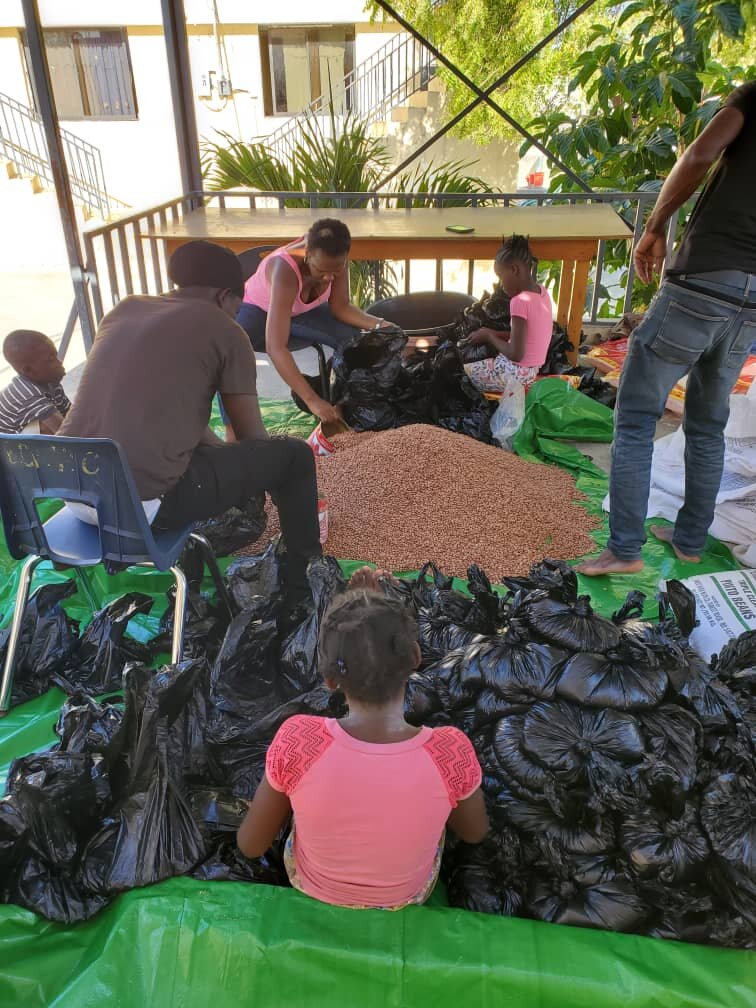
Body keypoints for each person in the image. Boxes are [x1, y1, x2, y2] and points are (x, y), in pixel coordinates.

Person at [60, 239, 320, 604]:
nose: (237, 313)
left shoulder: (125, 310)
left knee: (221, 455)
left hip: (68, 491)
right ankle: (304, 586)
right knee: (294, 457)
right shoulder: (227, 332)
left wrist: (225, 456)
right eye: (238, 304)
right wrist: (281, 488)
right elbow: (253, 439)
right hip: (140, 508)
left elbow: (166, 407)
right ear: (223, 296)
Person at [579, 81, 756, 577]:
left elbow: (701, 152)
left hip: (704, 280)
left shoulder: (753, 96)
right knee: (707, 423)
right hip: (751, 301)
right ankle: (690, 540)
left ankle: (624, 550)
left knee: (635, 416)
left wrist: (655, 225)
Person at [237, 568, 489, 910]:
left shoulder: (299, 739)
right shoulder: (449, 750)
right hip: (407, 896)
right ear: (416, 657)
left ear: (328, 680)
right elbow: (474, 833)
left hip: (312, 888)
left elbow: (251, 845)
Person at [226, 218, 391, 429]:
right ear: (307, 254)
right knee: (230, 353)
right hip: (258, 311)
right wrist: (312, 400)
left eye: (336, 271)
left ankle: (345, 406)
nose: (328, 278)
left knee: (352, 341)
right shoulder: (284, 270)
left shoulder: (335, 260)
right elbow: (275, 346)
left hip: (301, 310)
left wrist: (382, 326)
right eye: (321, 271)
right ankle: (233, 430)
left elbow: (341, 307)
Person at [463, 234, 554, 393]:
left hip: (514, 376)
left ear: (514, 269)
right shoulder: (542, 292)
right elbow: (524, 336)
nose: (501, 284)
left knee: (463, 370)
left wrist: (489, 337)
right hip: (531, 372)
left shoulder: (519, 302)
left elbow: (516, 354)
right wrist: (493, 332)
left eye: (500, 276)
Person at [0, 330, 69, 434]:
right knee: (47, 428)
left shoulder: (51, 382)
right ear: (29, 370)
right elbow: (65, 433)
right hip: (7, 445)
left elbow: (72, 414)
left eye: (55, 356)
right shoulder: (28, 396)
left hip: (20, 437)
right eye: (51, 359)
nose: (59, 362)